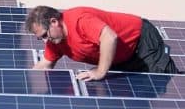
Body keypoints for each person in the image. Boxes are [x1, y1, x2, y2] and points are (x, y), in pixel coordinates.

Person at [25, 6, 180, 81]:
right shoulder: (55, 41)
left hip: (140, 41)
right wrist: (26, 83)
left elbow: (109, 37)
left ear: (54, 22)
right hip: (119, 57)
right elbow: (45, 64)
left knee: (164, 80)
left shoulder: (80, 21)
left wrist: (99, 71)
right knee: (140, 91)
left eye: (45, 35)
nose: (45, 41)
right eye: (41, 38)